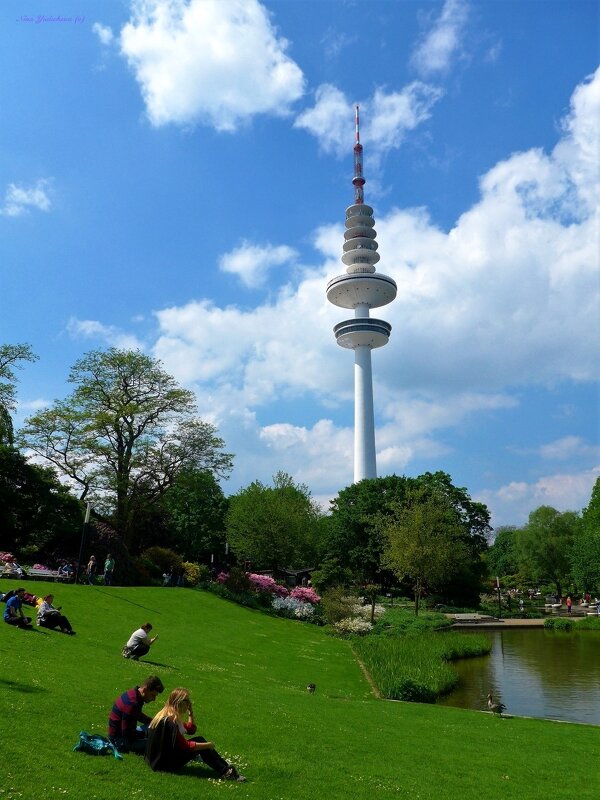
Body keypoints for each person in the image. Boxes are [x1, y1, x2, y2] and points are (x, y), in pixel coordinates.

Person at [145, 687, 246, 781]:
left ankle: (226, 769)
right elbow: (186, 746)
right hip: (165, 764)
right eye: (187, 701)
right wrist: (208, 745)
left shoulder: (167, 714)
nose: (189, 703)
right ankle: (226, 771)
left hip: (156, 760)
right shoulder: (171, 721)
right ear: (179, 702)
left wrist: (190, 712)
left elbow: (191, 729)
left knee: (200, 740)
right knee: (202, 744)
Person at [108, 675, 165, 754]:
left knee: (152, 727)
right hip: (119, 740)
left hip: (121, 733)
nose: (154, 699)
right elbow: (128, 735)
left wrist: (153, 721)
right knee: (158, 742)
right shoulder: (132, 704)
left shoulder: (134, 694)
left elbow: (138, 715)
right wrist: (148, 734)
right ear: (145, 690)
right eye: (153, 695)